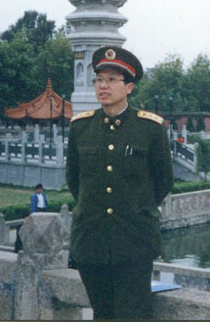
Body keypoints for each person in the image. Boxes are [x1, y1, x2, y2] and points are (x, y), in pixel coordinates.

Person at [66, 45, 173, 319]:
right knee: (102, 314)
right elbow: (74, 181)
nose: (103, 86)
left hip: (134, 241)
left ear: (129, 87)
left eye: (112, 80)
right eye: (99, 79)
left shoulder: (150, 128)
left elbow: (163, 181)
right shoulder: (81, 127)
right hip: (91, 241)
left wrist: (135, 208)